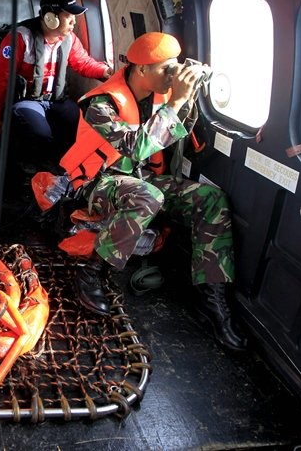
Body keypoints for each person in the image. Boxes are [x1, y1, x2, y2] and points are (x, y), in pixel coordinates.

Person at [59, 31, 247, 351]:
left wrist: (187, 96)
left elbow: (181, 130)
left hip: (141, 179)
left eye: (175, 68)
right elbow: (137, 147)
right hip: (100, 182)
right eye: (166, 69)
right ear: (142, 69)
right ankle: (91, 273)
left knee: (211, 199)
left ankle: (212, 301)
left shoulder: (159, 95)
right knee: (149, 196)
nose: (171, 75)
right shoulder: (101, 104)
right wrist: (175, 101)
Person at [0, 0, 112, 170]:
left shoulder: (68, 39)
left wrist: (105, 72)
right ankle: (28, 169)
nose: (74, 23)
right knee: (40, 133)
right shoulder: (21, 38)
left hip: (56, 101)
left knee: (80, 123)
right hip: (27, 101)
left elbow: (83, 63)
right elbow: (3, 79)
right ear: (50, 17)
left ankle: (65, 169)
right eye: (69, 17)